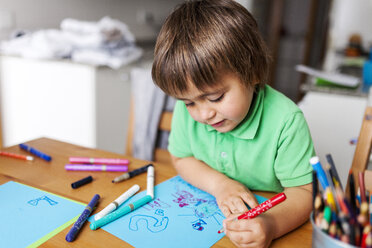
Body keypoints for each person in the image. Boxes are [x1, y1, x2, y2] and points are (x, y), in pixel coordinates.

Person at [151, 0, 314, 247]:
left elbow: (305, 193)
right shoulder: (190, 111)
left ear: (253, 72)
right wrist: (221, 185)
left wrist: (271, 225)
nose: (203, 114)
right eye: (188, 103)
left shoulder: (286, 122)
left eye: (215, 97)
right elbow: (181, 158)